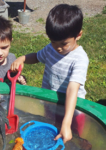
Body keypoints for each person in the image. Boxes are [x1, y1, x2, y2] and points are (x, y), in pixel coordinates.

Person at [10, 4, 89, 143]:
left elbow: (72, 88)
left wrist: (66, 122)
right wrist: (22, 58)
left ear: (79, 35)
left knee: (75, 138)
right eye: (53, 42)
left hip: (73, 110)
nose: (58, 48)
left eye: (64, 44)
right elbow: (37, 56)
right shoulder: (51, 49)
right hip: (51, 104)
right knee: (52, 129)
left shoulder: (80, 59)